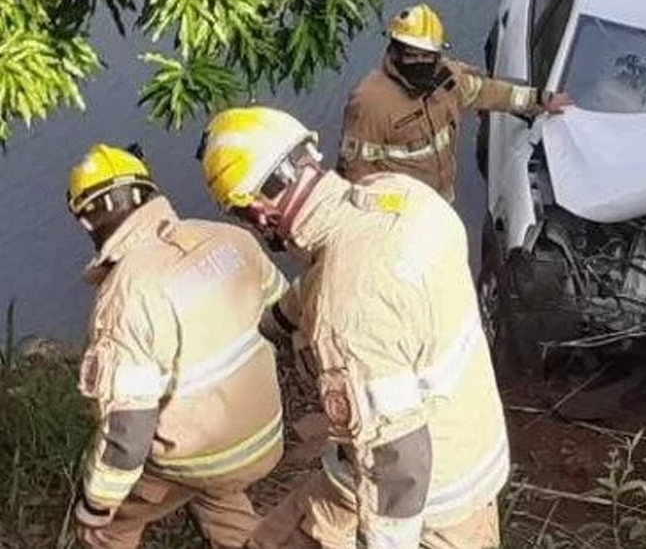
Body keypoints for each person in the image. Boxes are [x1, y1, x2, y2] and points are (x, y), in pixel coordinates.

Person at [196, 106, 510, 549]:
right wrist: (276, 322)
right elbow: (337, 266)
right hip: (474, 457)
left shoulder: (346, 316)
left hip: (421, 497)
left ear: (259, 209)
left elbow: (400, 460)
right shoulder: (399, 198)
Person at [66, 143, 287, 549]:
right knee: (218, 496)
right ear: (150, 190)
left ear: (84, 221)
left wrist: (96, 503)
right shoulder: (230, 238)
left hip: (196, 456)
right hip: (266, 432)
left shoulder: (127, 293)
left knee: (105, 530)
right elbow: (286, 316)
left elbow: (129, 430)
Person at [336, 3, 571, 201]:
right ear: (395, 51)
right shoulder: (370, 102)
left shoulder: (446, 80)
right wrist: (393, 207)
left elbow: (488, 92)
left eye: (426, 56)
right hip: (399, 211)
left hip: (440, 198)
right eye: (411, 55)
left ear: (437, 55)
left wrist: (541, 100)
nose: (419, 62)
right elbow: (355, 172)